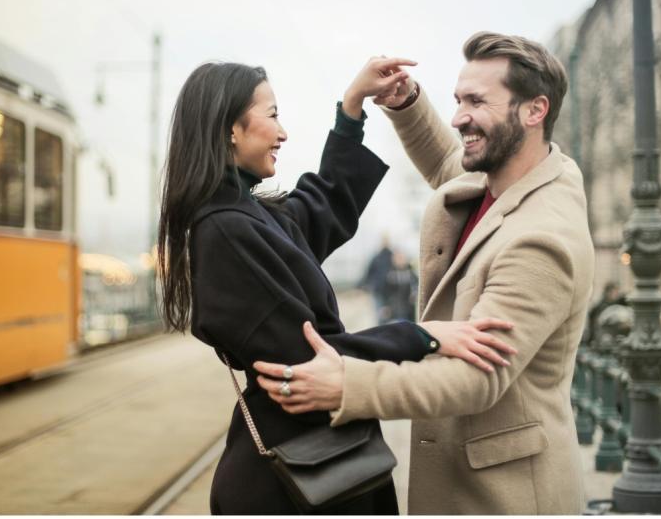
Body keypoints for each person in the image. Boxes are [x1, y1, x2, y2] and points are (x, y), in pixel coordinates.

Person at [156, 59, 517, 515]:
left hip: (314, 462)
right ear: (231, 129)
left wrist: (351, 110)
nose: (283, 132)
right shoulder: (227, 230)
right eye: (272, 116)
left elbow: (323, 203)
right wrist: (424, 335)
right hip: (296, 481)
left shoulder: (247, 214)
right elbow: (309, 360)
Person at [255, 32, 595, 514]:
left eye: (477, 101)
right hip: (470, 482)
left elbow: (476, 378)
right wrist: (406, 102)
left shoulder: (541, 238)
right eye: (458, 100)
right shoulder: (507, 174)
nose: (459, 117)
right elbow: (446, 163)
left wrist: (348, 385)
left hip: (508, 497)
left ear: (534, 110)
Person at [360, 236, 393, 322]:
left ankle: (383, 331)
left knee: (382, 313)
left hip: (386, 290)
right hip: (379, 290)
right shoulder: (378, 257)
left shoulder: (384, 257)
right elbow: (369, 272)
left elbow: (368, 273)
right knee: (383, 313)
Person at [380, 250, 418, 323]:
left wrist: (415, 294)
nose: (400, 261)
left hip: (408, 310)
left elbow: (416, 286)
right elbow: (385, 292)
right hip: (393, 311)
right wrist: (385, 306)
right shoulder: (389, 274)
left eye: (402, 258)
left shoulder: (411, 273)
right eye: (398, 258)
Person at [584, 281, 623, 346]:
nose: (617, 294)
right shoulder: (599, 307)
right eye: (615, 292)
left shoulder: (617, 305)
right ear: (608, 292)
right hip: (601, 339)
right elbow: (596, 325)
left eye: (617, 292)